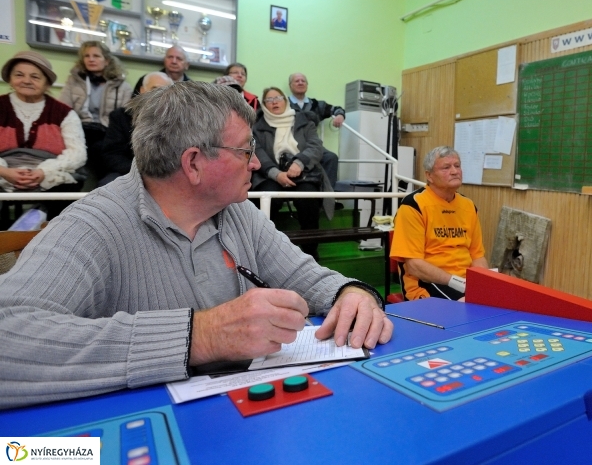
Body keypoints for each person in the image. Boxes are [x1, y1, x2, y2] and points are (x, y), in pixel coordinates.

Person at [0, 81, 391, 410]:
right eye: (245, 151)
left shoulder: (236, 211)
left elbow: (307, 277)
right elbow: (9, 338)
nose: (256, 164)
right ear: (193, 164)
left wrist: (352, 291)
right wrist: (201, 336)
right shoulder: (92, 225)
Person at [390, 146, 488, 301]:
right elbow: (414, 266)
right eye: (446, 167)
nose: (455, 171)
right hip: (426, 282)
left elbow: (477, 256)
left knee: (501, 300)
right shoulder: (413, 206)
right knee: (468, 305)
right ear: (429, 176)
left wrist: (482, 283)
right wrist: (459, 283)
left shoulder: (469, 206)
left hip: (463, 282)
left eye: (457, 166)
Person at [0, 51, 87, 221]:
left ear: (47, 83)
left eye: (35, 77)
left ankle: (45, 236)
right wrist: (4, 172)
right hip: (3, 170)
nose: (26, 80)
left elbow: (77, 153)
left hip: (51, 171)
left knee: (67, 189)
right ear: (10, 79)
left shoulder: (63, 112)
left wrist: (43, 172)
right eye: (19, 75)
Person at [251, 87, 334, 260]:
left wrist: (299, 162)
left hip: (304, 171)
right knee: (267, 198)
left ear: (286, 100)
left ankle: (310, 251)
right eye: (269, 99)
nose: (274, 102)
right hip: (270, 173)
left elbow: (315, 146)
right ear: (264, 105)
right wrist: (275, 173)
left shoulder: (304, 120)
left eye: (278, 97)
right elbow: (256, 151)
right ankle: (265, 251)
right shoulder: (257, 127)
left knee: (309, 199)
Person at [57, 41, 132, 180]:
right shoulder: (73, 82)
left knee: (105, 152)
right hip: (79, 129)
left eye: (96, 56)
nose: (91, 59)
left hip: (107, 131)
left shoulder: (122, 86)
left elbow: (124, 117)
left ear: (107, 60)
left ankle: (103, 187)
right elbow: (63, 109)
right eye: (87, 56)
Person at [99, 72, 173, 186]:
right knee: (106, 185)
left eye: (164, 90)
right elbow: (112, 154)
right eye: (155, 88)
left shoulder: (177, 120)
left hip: (166, 175)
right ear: (142, 90)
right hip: (127, 172)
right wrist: (141, 173)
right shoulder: (120, 116)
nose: (159, 94)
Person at [288, 72, 345, 185]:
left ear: (307, 85)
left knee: (331, 157)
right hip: (290, 144)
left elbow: (337, 109)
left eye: (303, 81)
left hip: (311, 144)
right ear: (290, 85)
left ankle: (327, 198)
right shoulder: (283, 103)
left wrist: (340, 115)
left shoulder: (316, 104)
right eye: (297, 81)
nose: (300, 83)